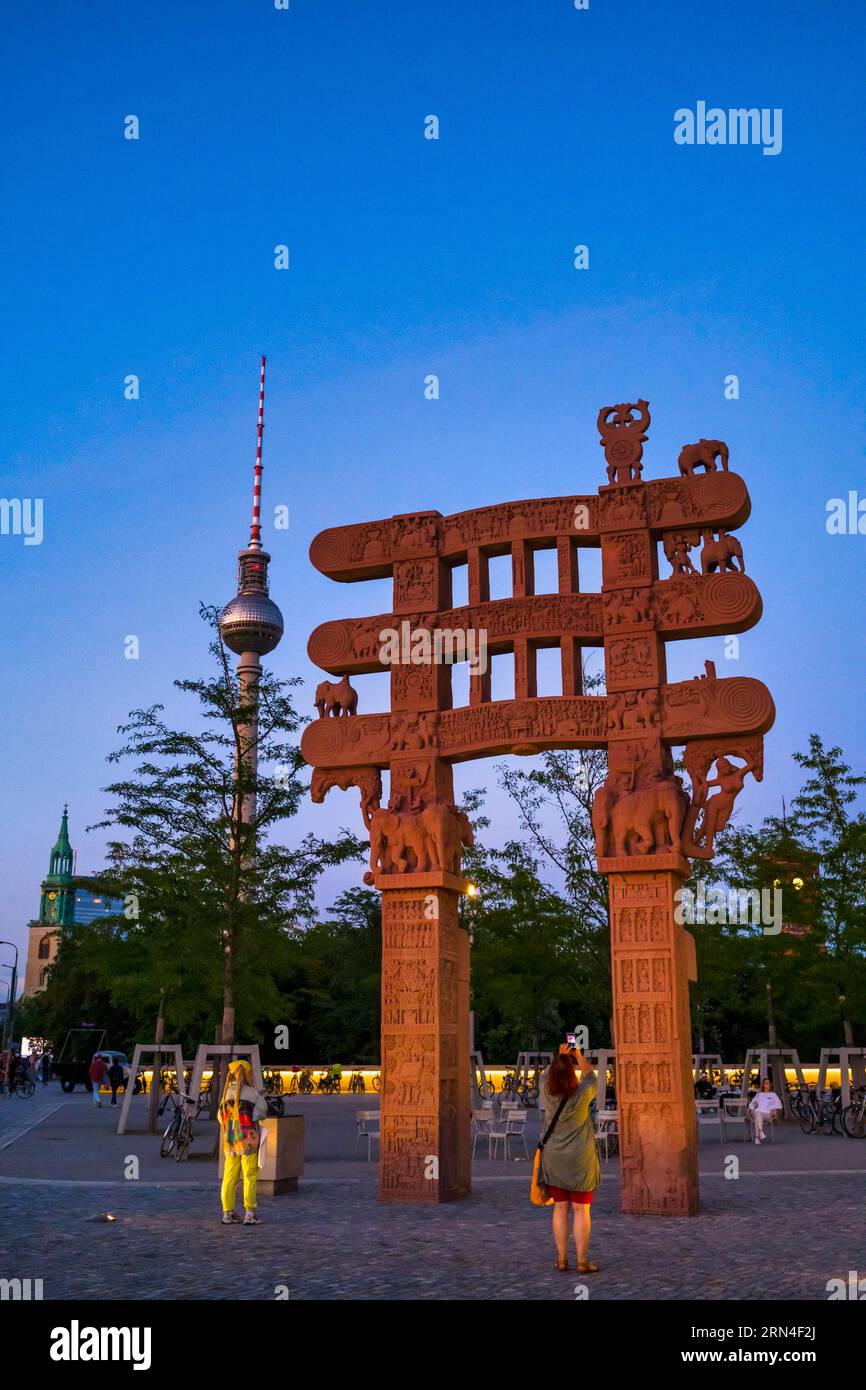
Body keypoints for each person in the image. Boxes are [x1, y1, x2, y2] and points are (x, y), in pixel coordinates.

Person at [538, 1043, 601, 1273]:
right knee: (581, 1211)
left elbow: (544, 1076)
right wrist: (578, 1055)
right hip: (580, 1160)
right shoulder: (582, 1095)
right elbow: (591, 1076)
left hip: (554, 1158)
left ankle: (562, 1259)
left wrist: (560, 1057)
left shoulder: (546, 1092)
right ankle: (582, 1261)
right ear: (572, 1073)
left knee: (560, 1209)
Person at [218, 1059, 267, 1226]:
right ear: (246, 1074)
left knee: (229, 1176)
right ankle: (250, 1213)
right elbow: (261, 1113)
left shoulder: (226, 1093)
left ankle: (227, 1212)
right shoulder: (252, 1093)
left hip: (230, 1141)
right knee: (249, 1176)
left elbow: (220, 1117)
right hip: (249, 1140)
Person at [749, 1077, 782, 1143]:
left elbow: (779, 1105)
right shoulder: (759, 1094)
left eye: (769, 1083)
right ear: (763, 1085)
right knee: (758, 1113)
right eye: (766, 1083)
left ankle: (758, 1137)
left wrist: (773, 1108)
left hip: (767, 1114)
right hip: (757, 1112)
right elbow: (751, 1104)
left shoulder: (773, 1094)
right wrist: (753, 1107)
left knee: (757, 1117)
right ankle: (760, 1132)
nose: (768, 1085)